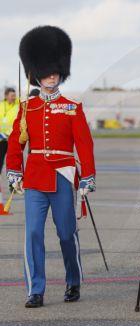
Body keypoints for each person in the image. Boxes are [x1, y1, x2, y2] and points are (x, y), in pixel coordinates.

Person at [6, 26, 96, 308]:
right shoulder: (26, 108)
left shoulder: (72, 107)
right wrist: (14, 171)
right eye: (46, 71)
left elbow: (85, 144)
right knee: (32, 233)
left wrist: (87, 177)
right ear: (36, 73)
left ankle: (73, 280)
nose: (51, 75)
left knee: (66, 233)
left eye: (55, 71)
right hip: (34, 178)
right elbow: (14, 142)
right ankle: (36, 289)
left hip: (62, 176)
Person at [0, 87, 19, 173]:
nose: (14, 97)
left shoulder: (18, 105)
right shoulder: (0, 105)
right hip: (1, 139)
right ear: (6, 96)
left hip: (13, 139)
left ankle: (14, 183)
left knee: (13, 162)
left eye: (14, 95)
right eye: (12, 95)